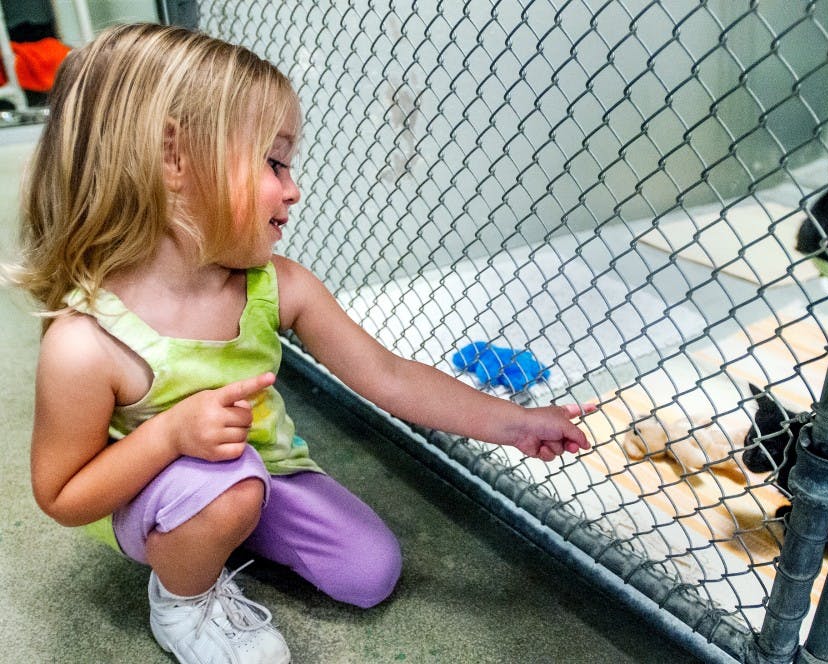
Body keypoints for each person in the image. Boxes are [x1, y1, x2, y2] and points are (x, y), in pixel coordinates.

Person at [9, 23, 592, 664]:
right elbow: (63, 497)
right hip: (148, 489)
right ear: (173, 159)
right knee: (229, 487)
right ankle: (181, 600)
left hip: (264, 474)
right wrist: (171, 436)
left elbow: (388, 375)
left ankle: (223, 529)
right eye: (274, 161)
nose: (293, 188)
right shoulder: (87, 341)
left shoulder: (279, 286)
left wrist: (515, 423)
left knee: (369, 572)